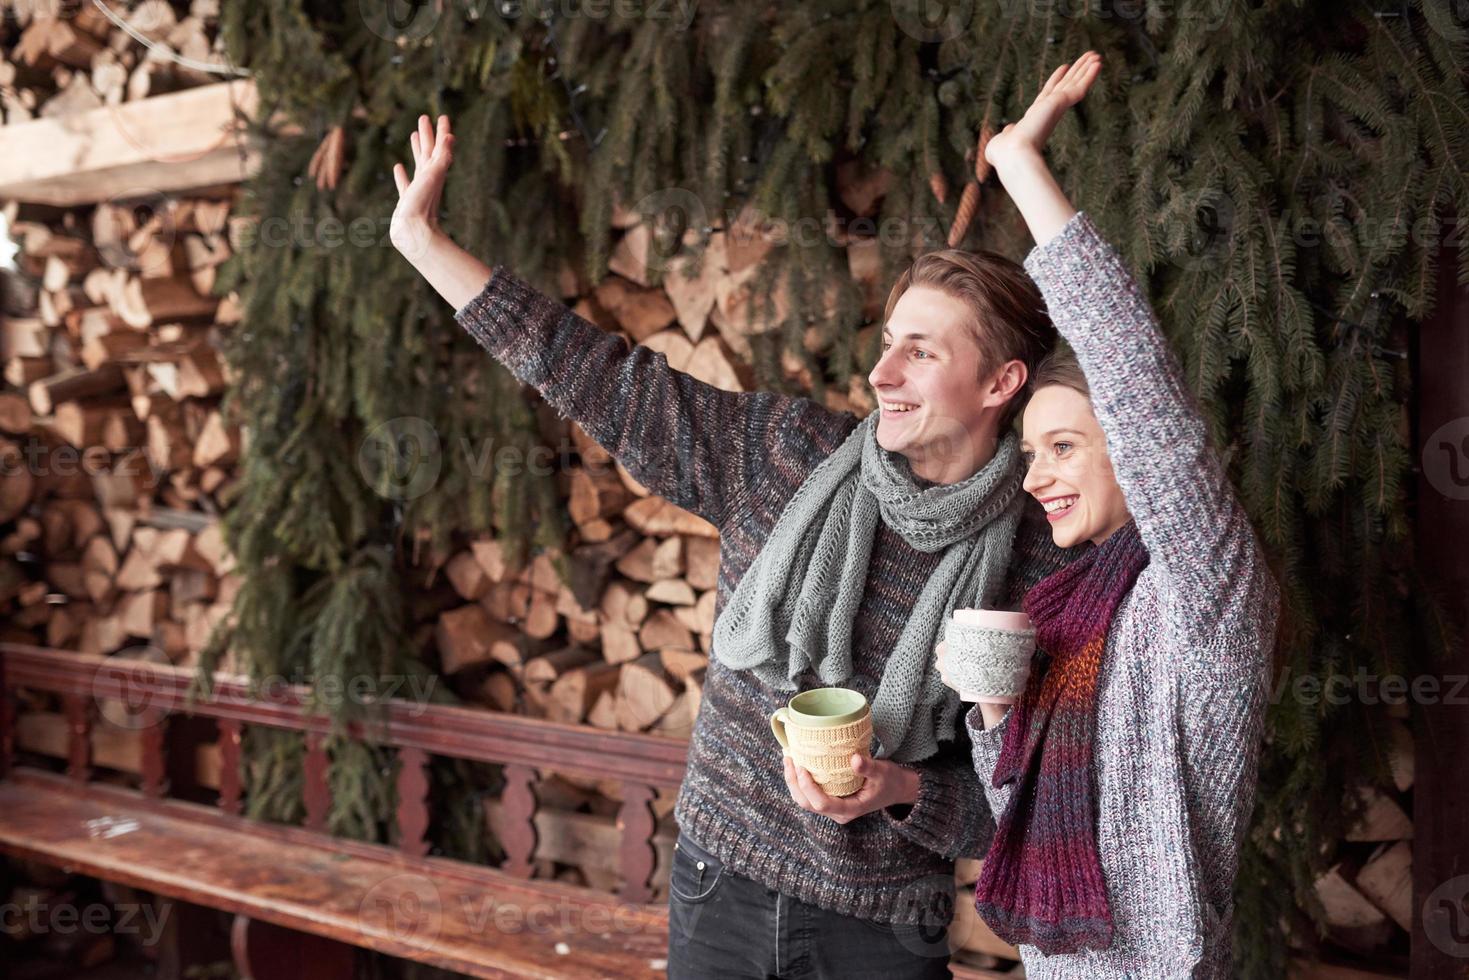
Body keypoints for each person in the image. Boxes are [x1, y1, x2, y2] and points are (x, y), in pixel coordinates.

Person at [390, 113, 1080, 978]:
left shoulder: (1043, 559)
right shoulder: (784, 455)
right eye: (885, 344)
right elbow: (600, 377)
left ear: (1001, 382)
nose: (881, 374)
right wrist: (421, 243)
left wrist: (900, 790)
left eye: (920, 351)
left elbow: (1031, 802)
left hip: (879, 929)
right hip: (719, 886)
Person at [936, 51, 1280, 978]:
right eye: (1029, 450)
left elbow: (1130, 370)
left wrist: (1020, 170)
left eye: (1063, 447)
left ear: (1133, 448)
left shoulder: (1201, 594)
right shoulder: (1065, 609)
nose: (1035, 474)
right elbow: (1018, 821)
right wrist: (995, 708)